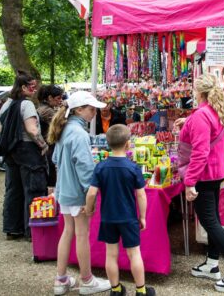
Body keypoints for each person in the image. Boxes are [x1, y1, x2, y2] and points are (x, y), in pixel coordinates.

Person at [174, 74, 224, 293]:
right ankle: (211, 263)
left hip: (204, 175)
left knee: (210, 222)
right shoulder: (214, 111)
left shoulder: (201, 115)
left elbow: (200, 151)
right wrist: (187, 121)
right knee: (213, 220)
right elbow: (207, 134)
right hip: (215, 173)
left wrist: (190, 182)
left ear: (199, 92)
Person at [49, 91, 110, 295]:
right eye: (91, 109)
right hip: (76, 192)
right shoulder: (79, 134)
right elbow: (85, 169)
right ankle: (86, 280)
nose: (94, 113)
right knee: (82, 235)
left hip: (64, 190)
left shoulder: (64, 129)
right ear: (78, 110)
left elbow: (56, 160)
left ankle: (61, 279)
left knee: (68, 233)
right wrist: (89, 195)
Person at [85, 125, 155, 296]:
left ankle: (115, 289)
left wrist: (89, 208)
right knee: (134, 254)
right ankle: (141, 290)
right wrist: (143, 216)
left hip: (108, 218)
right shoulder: (133, 168)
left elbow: (92, 192)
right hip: (128, 218)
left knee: (111, 254)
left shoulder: (100, 167)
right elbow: (141, 195)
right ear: (128, 144)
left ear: (108, 143)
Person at [0, 71, 48, 240]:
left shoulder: (6, 104)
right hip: (28, 152)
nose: (35, 90)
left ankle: (12, 229)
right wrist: (43, 144)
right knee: (33, 190)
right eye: (32, 87)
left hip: (11, 152)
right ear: (23, 87)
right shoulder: (26, 105)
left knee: (13, 190)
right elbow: (32, 129)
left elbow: (1, 129)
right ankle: (33, 231)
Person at [37, 85, 64, 191]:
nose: (60, 101)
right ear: (49, 98)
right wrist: (65, 109)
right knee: (51, 180)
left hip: (48, 147)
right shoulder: (47, 111)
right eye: (58, 98)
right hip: (48, 148)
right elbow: (61, 124)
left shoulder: (44, 108)